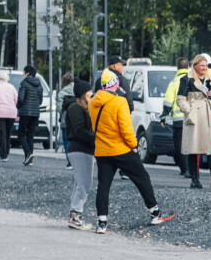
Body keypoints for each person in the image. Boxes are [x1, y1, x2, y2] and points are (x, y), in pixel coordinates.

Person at [89, 69, 174, 234]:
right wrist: (134, 145)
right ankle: (155, 213)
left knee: (103, 186)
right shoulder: (119, 102)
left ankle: (102, 223)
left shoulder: (92, 102)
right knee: (142, 178)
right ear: (115, 85)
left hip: (102, 150)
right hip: (121, 149)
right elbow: (126, 130)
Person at [176, 54, 211, 189]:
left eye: (206, 66)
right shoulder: (187, 80)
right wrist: (189, 111)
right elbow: (180, 99)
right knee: (194, 147)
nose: (204, 68)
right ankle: (195, 178)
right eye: (202, 66)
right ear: (195, 66)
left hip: (208, 114)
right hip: (194, 114)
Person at [64, 79, 96, 231]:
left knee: (80, 183)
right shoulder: (75, 108)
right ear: (82, 93)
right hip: (80, 149)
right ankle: (75, 216)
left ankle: (74, 215)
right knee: (84, 184)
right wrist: (96, 138)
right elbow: (79, 130)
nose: (92, 93)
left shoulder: (84, 107)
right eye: (89, 91)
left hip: (83, 149)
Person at [160, 57, 190, 176]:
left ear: (177, 68)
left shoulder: (174, 83)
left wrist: (164, 116)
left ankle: (184, 169)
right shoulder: (193, 80)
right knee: (191, 145)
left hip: (178, 120)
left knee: (180, 145)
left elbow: (168, 102)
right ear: (188, 67)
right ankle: (192, 169)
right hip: (192, 118)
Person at [16, 65, 43, 166]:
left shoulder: (24, 83)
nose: (23, 75)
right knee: (30, 135)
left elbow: (21, 99)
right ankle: (29, 159)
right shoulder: (39, 85)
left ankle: (28, 154)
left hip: (25, 112)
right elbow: (40, 101)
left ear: (27, 73)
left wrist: (18, 107)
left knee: (21, 134)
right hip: (35, 113)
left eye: (24, 72)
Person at [57, 72, 76, 168]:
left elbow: (59, 108)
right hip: (77, 117)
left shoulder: (62, 92)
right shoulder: (77, 89)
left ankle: (70, 161)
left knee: (66, 139)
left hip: (66, 118)